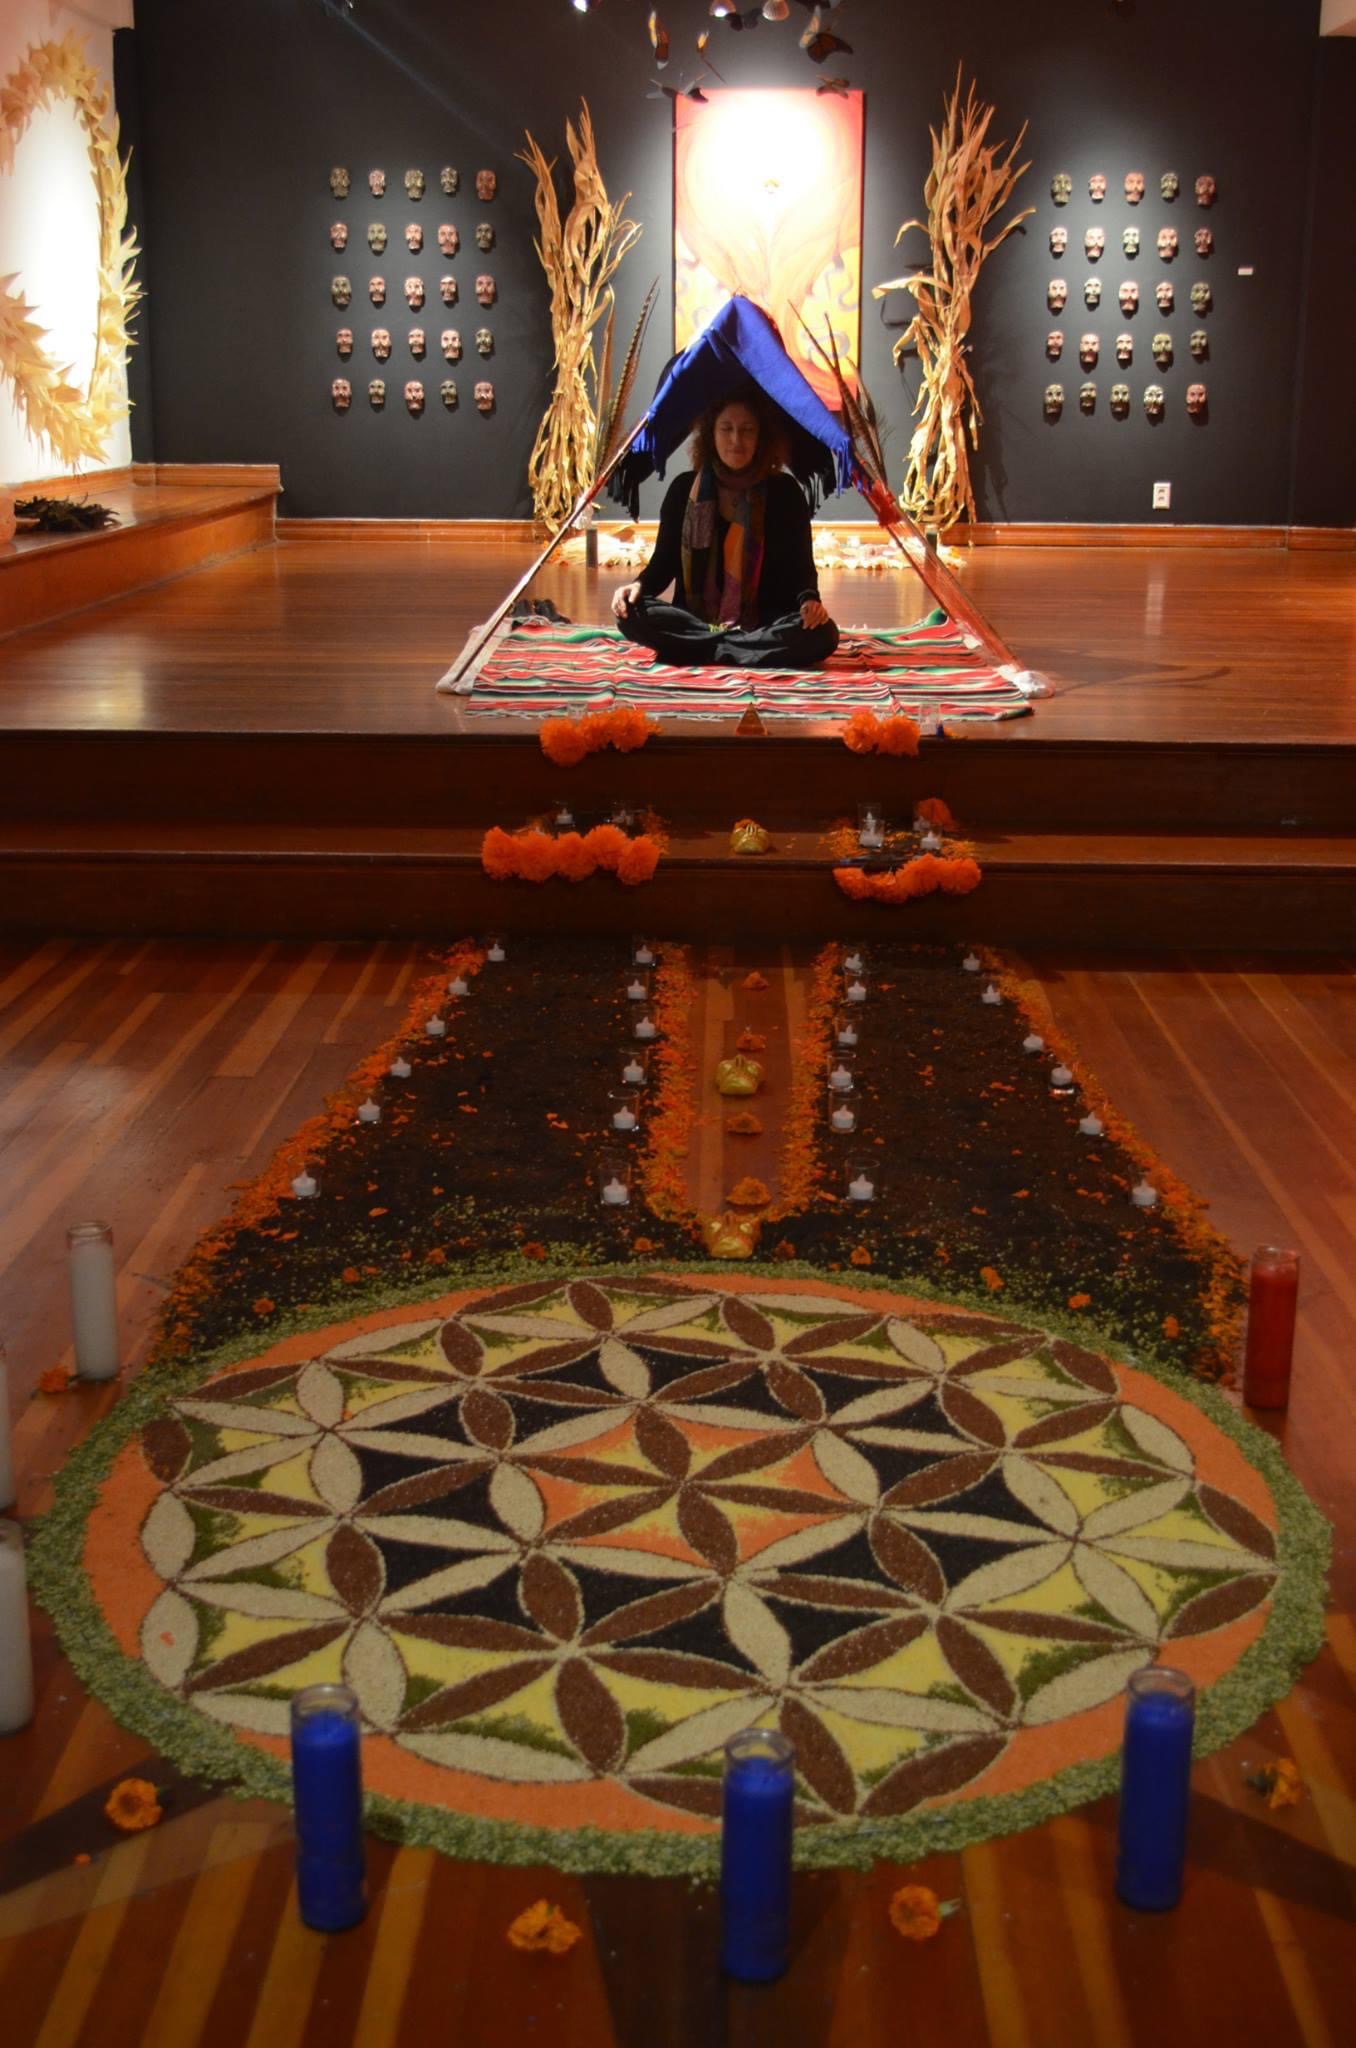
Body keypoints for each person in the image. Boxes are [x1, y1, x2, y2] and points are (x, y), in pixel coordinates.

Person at [610, 391, 839, 669]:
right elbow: (663, 562)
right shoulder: (684, 489)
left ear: (761, 438)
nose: (735, 440)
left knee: (824, 635)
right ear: (710, 434)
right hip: (697, 621)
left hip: (765, 621)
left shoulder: (785, 492)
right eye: (726, 429)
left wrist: (809, 602)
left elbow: (801, 567)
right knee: (629, 613)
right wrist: (637, 585)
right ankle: (739, 649)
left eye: (747, 430)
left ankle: (701, 649)